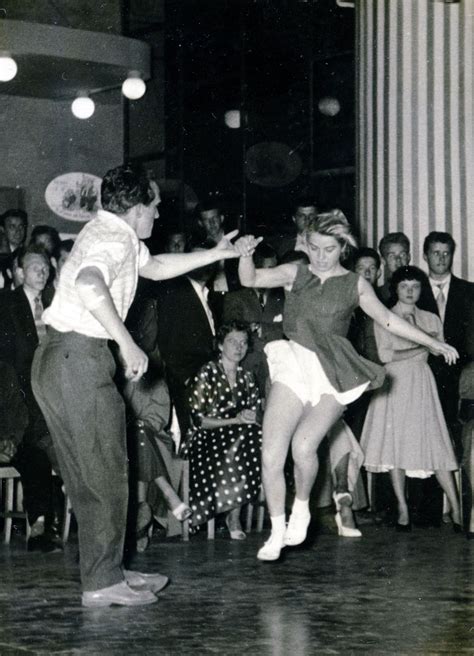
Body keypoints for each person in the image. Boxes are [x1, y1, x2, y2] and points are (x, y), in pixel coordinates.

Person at [31, 163, 243, 607]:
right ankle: (102, 581)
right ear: (135, 207)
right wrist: (127, 344)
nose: (159, 214)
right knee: (106, 473)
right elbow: (90, 283)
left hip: (58, 358)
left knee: (92, 475)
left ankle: (106, 570)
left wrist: (216, 253)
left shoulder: (111, 233)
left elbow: (159, 266)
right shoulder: (113, 238)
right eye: (155, 205)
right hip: (79, 357)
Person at [236, 210, 458, 561]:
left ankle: (303, 508)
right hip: (294, 362)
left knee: (304, 446)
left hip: (334, 371)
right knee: (270, 452)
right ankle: (277, 530)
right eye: (315, 248)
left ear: (343, 248)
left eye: (329, 249)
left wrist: (434, 343)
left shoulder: (355, 285)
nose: (321, 257)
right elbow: (250, 280)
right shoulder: (297, 272)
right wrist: (245, 256)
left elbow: (387, 319)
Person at [360, 266, 461, 531]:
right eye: (404, 286)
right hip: (395, 383)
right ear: (395, 288)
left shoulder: (430, 318)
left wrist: (427, 346)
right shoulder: (385, 317)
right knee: (397, 445)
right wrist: (423, 344)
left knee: (434, 443)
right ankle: (402, 510)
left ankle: (457, 510)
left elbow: (439, 352)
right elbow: (385, 356)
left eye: (415, 287)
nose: (409, 292)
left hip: (421, 382)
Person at [184, 321, 262, 539]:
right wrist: (235, 421)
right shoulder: (207, 372)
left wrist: (251, 417)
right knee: (241, 436)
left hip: (240, 437)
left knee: (257, 435)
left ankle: (235, 512)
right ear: (220, 345)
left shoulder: (248, 377)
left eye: (243, 342)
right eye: (232, 342)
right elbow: (198, 421)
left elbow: (256, 413)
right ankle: (232, 516)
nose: (239, 347)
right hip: (205, 438)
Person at [378, 232, 410, 304]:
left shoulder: (420, 289)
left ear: (408, 257)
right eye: (392, 256)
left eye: (402, 255)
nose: (398, 259)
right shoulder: (379, 295)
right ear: (383, 260)